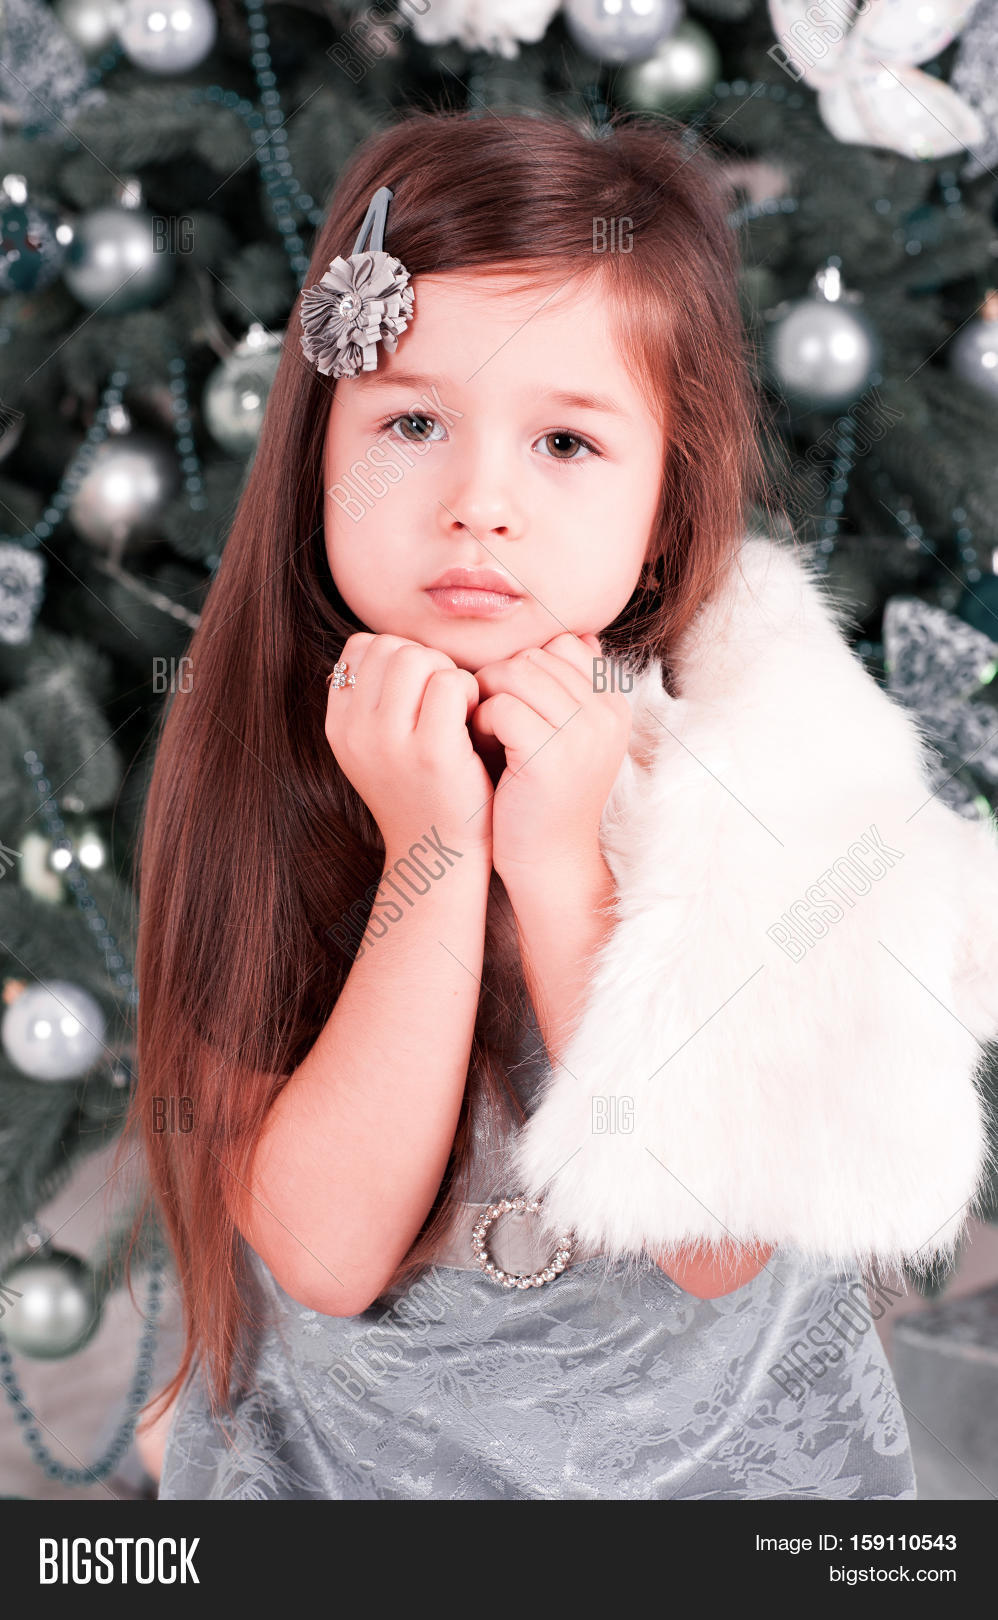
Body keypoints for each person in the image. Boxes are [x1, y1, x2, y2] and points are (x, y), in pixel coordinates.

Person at [118, 107, 998, 1500]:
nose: (479, 502)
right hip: (354, 1477)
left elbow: (713, 1244)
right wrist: (431, 850)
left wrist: (559, 867)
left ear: (665, 495)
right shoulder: (265, 756)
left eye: (566, 445)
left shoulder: (766, 755)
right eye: (411, 422)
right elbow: (327, 1256)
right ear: (317, 451)